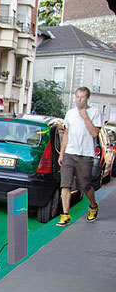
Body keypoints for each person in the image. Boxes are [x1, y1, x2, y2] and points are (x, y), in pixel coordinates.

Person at [57, 86, 102, 226]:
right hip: (70, 153)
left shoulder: (95, 112)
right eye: (77, 97)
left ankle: (93, 206)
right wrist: (62, 153)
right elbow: (66, 134)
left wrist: (85, 117)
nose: (79, 100)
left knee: (85, 185)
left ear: (87, 98)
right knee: (65, 184)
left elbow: (95, 133)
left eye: (82, 97)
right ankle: (65, 215)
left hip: (85, 154)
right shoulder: (70, 113)